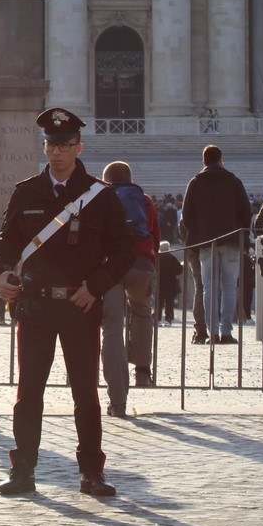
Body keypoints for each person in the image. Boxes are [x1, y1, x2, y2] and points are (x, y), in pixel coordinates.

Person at [0, 108, 134, 498]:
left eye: (64, 145)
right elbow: (6, 243)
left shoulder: (100, 197)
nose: (56, 152)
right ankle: (23, 471)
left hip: (78, 305)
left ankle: (91, 472)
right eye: (51, 145)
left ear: (78, 147)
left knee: (85, 393)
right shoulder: (26, 191)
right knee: (28, 392)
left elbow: (125, 250)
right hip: (34, 306)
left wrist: (97, 286)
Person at [99, 161, 160, 417]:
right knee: (142, 312)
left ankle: (118, 399)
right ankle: (143, 371)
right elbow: (154, 235)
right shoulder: (143, 199)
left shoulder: (101, 199)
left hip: (110, 267)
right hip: (140, 264)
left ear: (107, 180)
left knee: (112, 328)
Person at [180, 144, 250, 345]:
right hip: (230, 239)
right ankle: (226, 331)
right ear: (221, 160)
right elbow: (245, 210)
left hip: (206, 241)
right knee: (229, 286)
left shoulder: (196, 182)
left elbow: (186, 215)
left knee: (208, 287)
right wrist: (240, 234)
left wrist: (198, 232)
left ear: (204, 161)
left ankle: (213, 333)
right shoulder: (233, 181)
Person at [156, 241, 183, 325]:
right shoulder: (172, 258)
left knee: (159, 302)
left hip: (159, 283)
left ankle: (158, 318)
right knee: (169, 302)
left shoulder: (157, 258)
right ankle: (169, 318)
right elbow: (180, 269)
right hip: (170, 283)